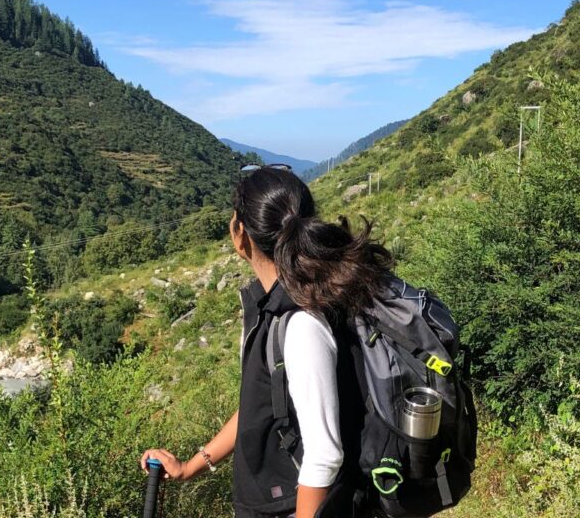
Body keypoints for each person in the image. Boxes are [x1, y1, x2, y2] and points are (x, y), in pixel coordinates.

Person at [140, 166, 394, 517]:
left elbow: (324, 454)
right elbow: (264, 406)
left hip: (293, 506)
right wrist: (192, 466)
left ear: (239, 234)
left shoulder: (300, 322)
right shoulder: (279, 305)